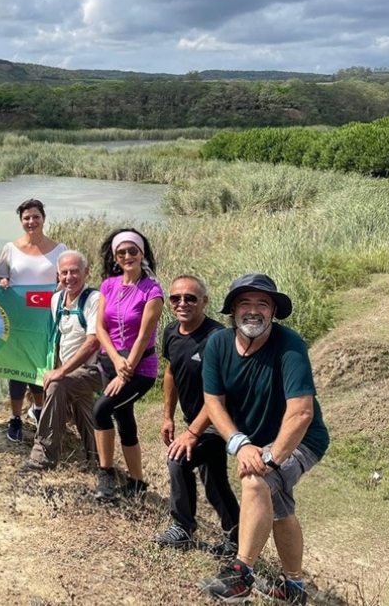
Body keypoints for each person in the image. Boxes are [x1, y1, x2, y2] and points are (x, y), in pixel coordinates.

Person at [198, 274, 329, 604]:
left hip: (302, 440)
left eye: (262, 304)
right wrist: (239, 443)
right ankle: (294, 587)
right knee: (279, 510)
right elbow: (213, 401)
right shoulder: (218, 344)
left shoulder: (290, 345)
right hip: (254, 442)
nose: (253, 311)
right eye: (245, 303)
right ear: (232, 311)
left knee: (256, 481)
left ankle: (241, 575)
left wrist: (271, 460)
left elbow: (301, 413)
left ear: (273, 312)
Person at [153, 275, 239, 556]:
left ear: (204, 301)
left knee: (178, 459)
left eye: (190, 298)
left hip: (220, 421)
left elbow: (221, 393)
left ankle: (182, 528)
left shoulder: (218, 338)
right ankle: (236, 538)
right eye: (176, 298)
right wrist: (168, 416)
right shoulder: (171, 333)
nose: (182, 303)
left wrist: (192, 433)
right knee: (215, 482)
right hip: (195, 421)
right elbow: (171, 372)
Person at [91, 228, 164, 501]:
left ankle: (105, 475)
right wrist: (115, 359)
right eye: (121, 252)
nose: (127, 256)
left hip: (140, 369)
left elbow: (144, 335)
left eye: (132, 250)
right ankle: (137, 481)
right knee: (124, 418)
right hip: (111, 363)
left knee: (100, 411)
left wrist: (125, 371)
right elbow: (100, 328)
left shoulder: (152, 290)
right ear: (115, 257)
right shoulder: (108, 285)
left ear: (142, 253)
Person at [18, 250, 102, 472]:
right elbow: (58, 338)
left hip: (94, 370)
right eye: (64, 273)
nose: (69, 277)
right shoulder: (56, 300)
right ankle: (98, 459)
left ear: (86, 272)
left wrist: (62, 371)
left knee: (58, 385)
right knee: (83, 407)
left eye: (74, 271)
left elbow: (94, 342)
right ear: (58, 275)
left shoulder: (94, 299)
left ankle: (43, 455)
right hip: (71, 372)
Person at [0, 198, 67, 443]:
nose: (31, 221)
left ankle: (38, 410)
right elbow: (0, 277)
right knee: (17, 370)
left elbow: (69, 280)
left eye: (36, 216)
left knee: (42, 369)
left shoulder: (60, 249)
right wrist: (2, 282)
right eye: (26, 218)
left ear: (43, 218)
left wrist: (62, 285)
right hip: (17, 321)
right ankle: (15, 418)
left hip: (46, 322)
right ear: (21, 221)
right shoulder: (10, 248)